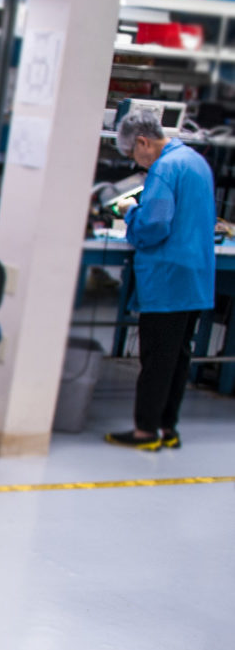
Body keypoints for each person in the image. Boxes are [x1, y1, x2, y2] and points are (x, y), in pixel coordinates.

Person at [104, 109, 215, 451]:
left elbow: (154, 226)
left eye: (132, 155)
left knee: (157, 358)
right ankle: (169, 428)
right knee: (179, 356)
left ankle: (145, 432)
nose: (137, 165)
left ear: (142, 142)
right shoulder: (195, 161)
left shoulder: (164, 168)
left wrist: (129, 212)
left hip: (168, 277)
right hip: (195, 275)